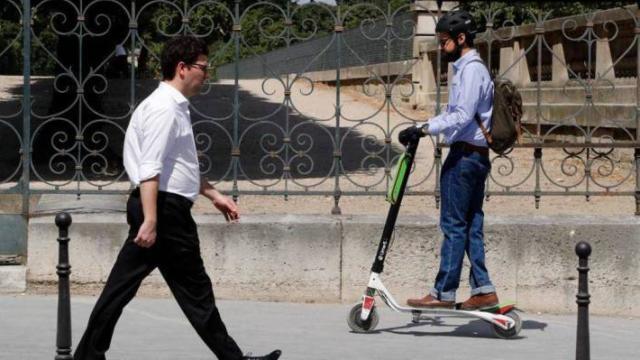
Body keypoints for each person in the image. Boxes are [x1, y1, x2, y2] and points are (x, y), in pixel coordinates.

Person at [74, 36, 281, 360]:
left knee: (123, 289)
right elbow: (150, 167)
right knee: (194, 293)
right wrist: (152, 219)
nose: (206, 74)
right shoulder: (164, 109)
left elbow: (177, 167)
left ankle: (87, 355)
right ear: (182, 68)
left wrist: (215, 195)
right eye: (203, 67)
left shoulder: (171, 107)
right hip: (164, 212)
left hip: (162, 207)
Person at [398, 10, 499, 310]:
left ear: (461, 38)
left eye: (444, 42)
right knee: (471, 225)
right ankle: (483, 289)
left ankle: (443, 292)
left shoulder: (470, 70)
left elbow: (461, 115)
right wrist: (425, 126)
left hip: (465, 157)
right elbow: (459, 114)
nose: (441, 48)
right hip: (474, 156)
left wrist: (424, 128)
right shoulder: (471, 69)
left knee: (454, 225)